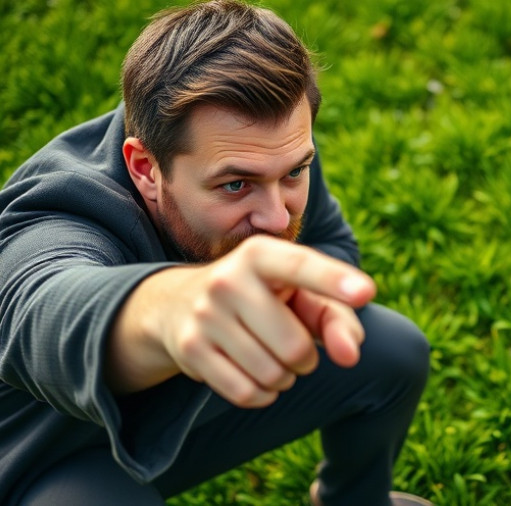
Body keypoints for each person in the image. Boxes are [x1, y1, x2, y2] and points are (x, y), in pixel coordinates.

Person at [0, 1, 432, 505]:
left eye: (295, 171)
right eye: (234, 185)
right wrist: (170, 311)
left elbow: (333, 248)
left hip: (189, 408)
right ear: (144, 168)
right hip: (50, 456)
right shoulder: (57, 210)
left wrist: (276, 308)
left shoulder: (264, 145)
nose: (275, 216)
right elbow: (41, 304)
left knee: (392, 350)